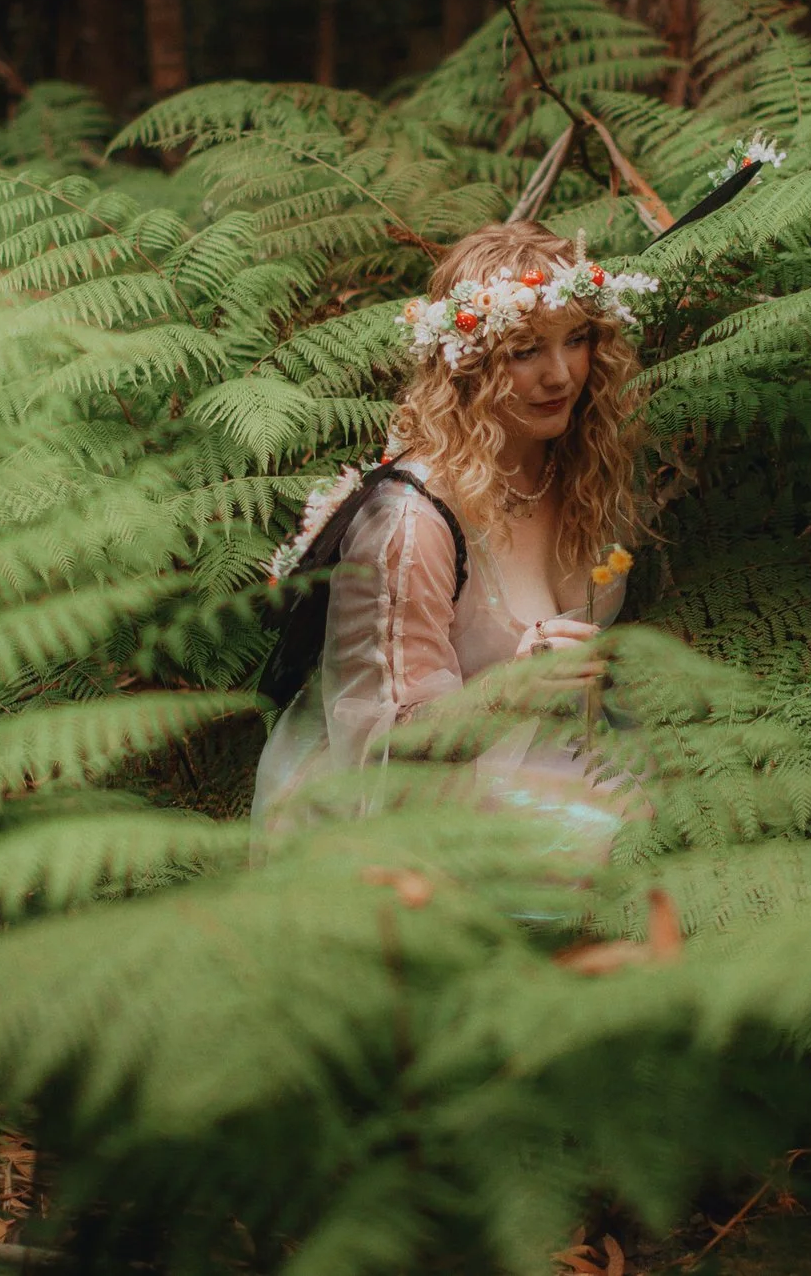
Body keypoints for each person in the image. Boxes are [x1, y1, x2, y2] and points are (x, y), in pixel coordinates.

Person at [252, 220, 656, 852]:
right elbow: (387, 750)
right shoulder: (411, 521)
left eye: (575, 340)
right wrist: (509, 690)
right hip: (410, 810)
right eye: (525, 352)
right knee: (618, 850)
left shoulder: (583, 470)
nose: (561, 376)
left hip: (558, 756)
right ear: (468, 363)